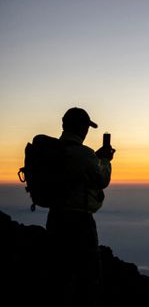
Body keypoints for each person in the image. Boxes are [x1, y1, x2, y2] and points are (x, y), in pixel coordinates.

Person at [45, 107, 115, 255]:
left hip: (55, 217)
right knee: (86, 269)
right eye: (86, 127)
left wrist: (95, 156)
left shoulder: (53, 150)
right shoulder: (84, 154)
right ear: (82, 128)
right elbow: (102, 180)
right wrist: (105, 160)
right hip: (79, 221)